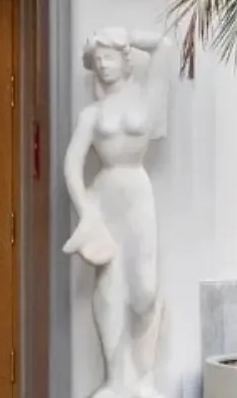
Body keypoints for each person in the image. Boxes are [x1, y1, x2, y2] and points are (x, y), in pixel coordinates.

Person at [63, 26, 172, 398]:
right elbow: (71, 167)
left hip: (138, 196)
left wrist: (126, 34)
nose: (103, 65)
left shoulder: (146, 100)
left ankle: (143, 375)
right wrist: (86, 212)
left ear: (126, 61)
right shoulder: (91, 115)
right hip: (104, 198)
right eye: (97, 61)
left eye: (109, 58)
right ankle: (114, 379)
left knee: (145, 289)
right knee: (109, 288)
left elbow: (164, 46)